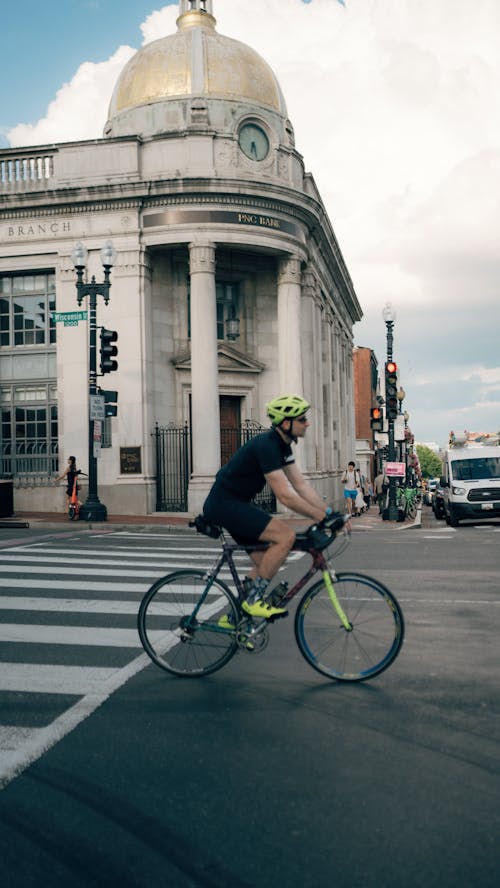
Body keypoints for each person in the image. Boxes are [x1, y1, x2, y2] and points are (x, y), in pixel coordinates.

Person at [202, 394, 335, 622]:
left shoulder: (282, 447)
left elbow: (300, 485)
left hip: (234, 504)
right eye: (302, 419)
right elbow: (285, 496)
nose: (307, 423)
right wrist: (321, 517)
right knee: (286, 537)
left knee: (267, 561)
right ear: (286, 423)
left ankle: (232, 620)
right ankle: (253, 602)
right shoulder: (266, 446)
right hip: (224, 504)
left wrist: (330, 514)